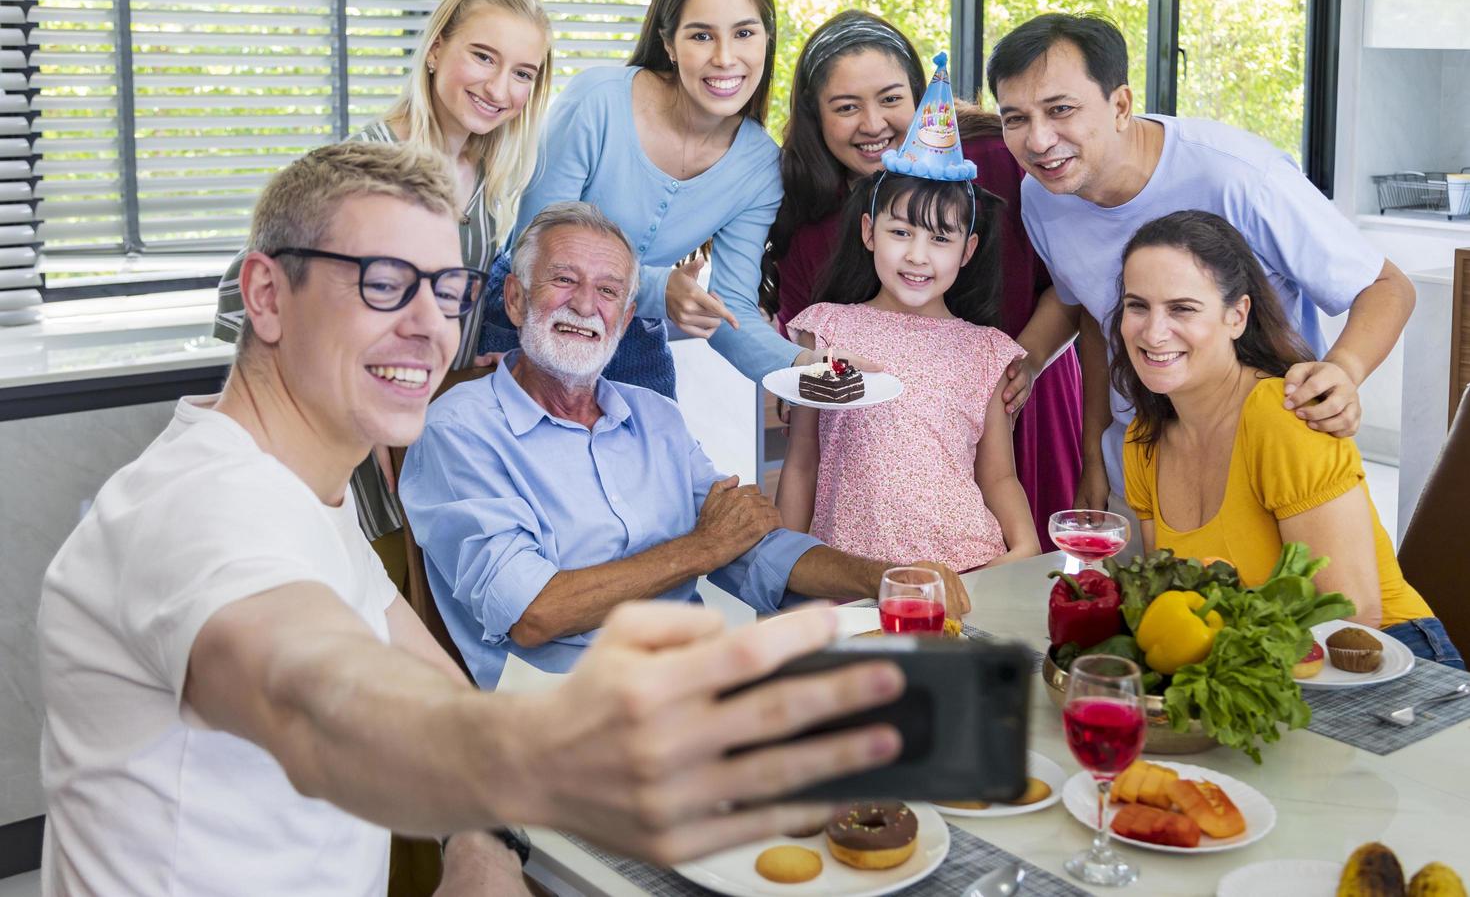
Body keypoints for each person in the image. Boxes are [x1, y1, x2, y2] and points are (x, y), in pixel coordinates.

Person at [37, 142, 913, 896]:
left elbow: (429, 679)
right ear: (266, 296)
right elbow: (312, 697)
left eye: (445, 289)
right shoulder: (200, 507)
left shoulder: (313, 496)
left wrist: (478, 837)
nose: (429, 326)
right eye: (383, 284)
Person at [399, 201, 970, 689]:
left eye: (607, 291)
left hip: (697, 692)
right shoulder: (459, 430)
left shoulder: (654, 417)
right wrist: (703, 547)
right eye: (564, 280)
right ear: (518, 301)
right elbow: (534, 612)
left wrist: (886, 578)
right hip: (562, 726)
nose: (583, 305)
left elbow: (752, 550)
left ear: (624, 320)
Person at [987, 13, 1416, 514]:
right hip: (1140, 461)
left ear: (1120, 105)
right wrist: (1086, 444)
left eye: (1060, 109)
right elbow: (1088, 310)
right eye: (1015, 118)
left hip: (1266, 451)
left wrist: (1343, 371)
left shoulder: (1239, 177)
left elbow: (1387, 286)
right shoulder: (1043, 195)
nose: (1038, 141)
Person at [212, 0, 555, 574]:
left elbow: (432, 310)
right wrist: (359, 401)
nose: (500, 88)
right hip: (346, 456)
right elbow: (242, 300)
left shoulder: (487, 181)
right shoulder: (365, 166)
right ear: (435, 49)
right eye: (483, 56)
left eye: (523, 73)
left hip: (422, 441)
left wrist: (467, 364)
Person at [762, 10, 1082, 544]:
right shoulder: (806, 215)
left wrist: (1018, 364)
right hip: (869, 471)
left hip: (1018, 391)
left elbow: (1072, 286)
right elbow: (809, 432)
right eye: (846, 107)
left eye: (891, 99)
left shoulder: (993, 164)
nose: (873, 124)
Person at [477, 0, 849, 397]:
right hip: (529, 314)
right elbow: (535, 250)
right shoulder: (597, 103)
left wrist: (811, 370)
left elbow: (731, 313)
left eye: (745, 33)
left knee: (653, 457)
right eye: (701, 36)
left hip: (630, 328)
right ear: (669, 43)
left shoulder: (760, 168)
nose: (726, 58)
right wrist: (658, 287)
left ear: (767, 39)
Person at [1111, 210, 1460, 668]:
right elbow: (1176, 597)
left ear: (1237, 316)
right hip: (1263, 664)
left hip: (1385, 658)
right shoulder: (1144, 439)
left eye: (1182, 308)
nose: (1154, 332)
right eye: (1138, 305)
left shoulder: (1282, 414)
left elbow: (1351, 616)